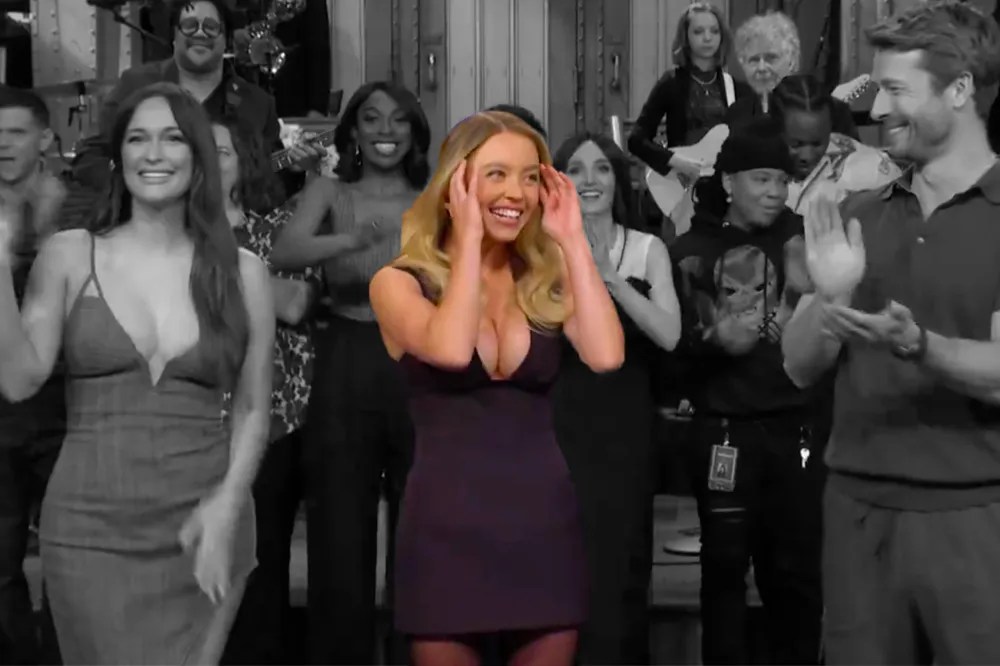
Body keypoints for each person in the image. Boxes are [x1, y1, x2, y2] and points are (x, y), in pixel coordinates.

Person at [0, 81, 274, 664]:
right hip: (89, 530)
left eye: (173, 139)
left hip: (205, 524)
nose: (153, 154)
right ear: (117, 154)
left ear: (198, 155)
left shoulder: (243, 272)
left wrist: (228, 505)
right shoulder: (70, 254)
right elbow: (20, 380)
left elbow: (253, 408)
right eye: (137, 139)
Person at [783, 2, 1000, 663]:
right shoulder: (857, 215)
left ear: (959, 89)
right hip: (856, 511)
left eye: (897, 90)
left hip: (974, 518)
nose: (877, 111)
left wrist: (919, 346)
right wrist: (830, 296)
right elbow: (798, 365)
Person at [369, 110, 624, 665]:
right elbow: (452, 349)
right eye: (497, 175)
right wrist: (466, 241)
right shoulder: (398, 283)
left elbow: (606, 355)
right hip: (445, 533)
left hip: (544, 528)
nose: (517, 193)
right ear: (456, 184)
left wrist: (572, 239)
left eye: (530, 177)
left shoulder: (542, 277)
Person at [269, 80, 430, 665]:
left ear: (414, 131)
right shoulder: (329, 190)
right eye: (372, 119)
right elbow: (284, 252)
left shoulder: (434, 196)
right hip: (346, 357)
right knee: (340, 525)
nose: (386, 131)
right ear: (354, 131)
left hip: (418, 360)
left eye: (399, 119)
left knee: (420, 527)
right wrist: (350, 240)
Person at [671, 118, 825, 665]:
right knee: (724, 576)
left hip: (799, 434)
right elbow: (676, 353)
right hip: (724, 435)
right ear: (729, 182)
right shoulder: (691, 250)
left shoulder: (807, 240)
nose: (775, 191)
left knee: (799, 576)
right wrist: (715, 338)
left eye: (782, 180)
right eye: (762, 179)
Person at [550, 132, 680, 665]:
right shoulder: (542, 252)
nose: (590, 180)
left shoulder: (648, 249)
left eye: (601, 168)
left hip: (626, 424)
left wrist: (612, 281)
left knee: (622, 561)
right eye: (576, 169)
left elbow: (669, 335)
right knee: (563, 560)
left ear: (617, 179)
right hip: (560, 421)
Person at [211, 116, 318, 665]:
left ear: (242, 164)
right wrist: (256, 289)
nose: (207, 161)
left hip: (271, 422)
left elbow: (295, 303)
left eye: (221, 152)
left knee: (262, 565)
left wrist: (202, 280)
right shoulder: (154, 238)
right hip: (185, 423)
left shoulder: (276, 228)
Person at [0, 86, 66, 666]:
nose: (2, 144)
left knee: (71, 564)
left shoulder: (78, 210)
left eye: (15, 132)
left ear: (45, 139)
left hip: (66, 411)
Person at [628, 2, 752, 187]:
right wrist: (676, 162)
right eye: (698, 31)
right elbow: (636, 140)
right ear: (685, 37)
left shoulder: (737, 88)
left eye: (714, 31)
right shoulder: (671, 83)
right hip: (683, 184)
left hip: (724, 187)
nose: (708, 38)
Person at [770, 74, 900, 214]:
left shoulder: (871, 171)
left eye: (817, 143)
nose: (807, 156)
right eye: (796, 144)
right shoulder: (755, 169)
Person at [725, 12, 858, 139]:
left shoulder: (830, 111)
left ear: (792, 60)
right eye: (753, 60)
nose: (761, 68)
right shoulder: (736, 115)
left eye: (771, 58)